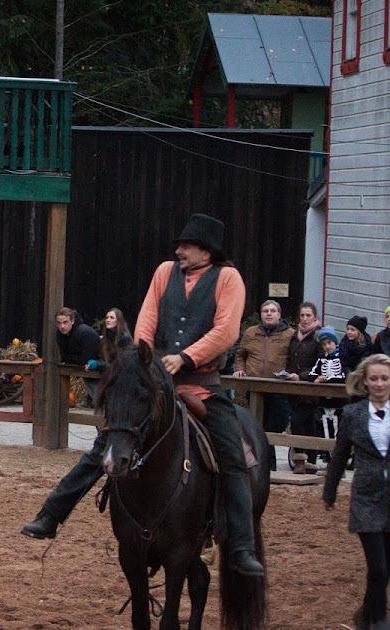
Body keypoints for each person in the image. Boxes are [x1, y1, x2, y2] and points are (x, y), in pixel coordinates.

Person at [22, 213, 265, 577]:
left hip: (202, 383)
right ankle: (51, 514)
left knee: (232, 454)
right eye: (179, 246)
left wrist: (185, 357)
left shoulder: (228, 279)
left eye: (186, 245)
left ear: (207, 250)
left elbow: (226, 331)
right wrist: (143, 360)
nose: (179, 251)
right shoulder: (164, 273)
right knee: (107, 443)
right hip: (156, 384)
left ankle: (242, 547)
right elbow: (147, 320)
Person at [322, 353, 390, 630]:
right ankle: (379, 620)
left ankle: (364, 616)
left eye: (384, 378)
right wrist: (330, 490)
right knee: (378, 568)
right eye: (373, 378)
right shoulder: (352, 414)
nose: (379, 384)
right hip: (366, 499)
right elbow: (339, 456)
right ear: (364, 381)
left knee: (385, 571)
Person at [234, 299, 294, 470]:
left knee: (278, 423)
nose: (269, 313)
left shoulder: (289, 334)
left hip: (278, 386)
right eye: (265, 310)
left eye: (272, 311)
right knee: (256, 423)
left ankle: (265, 451)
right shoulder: (251, 332)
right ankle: (268, 465)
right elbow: (240, 354)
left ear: (279, 315)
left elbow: (294, 356)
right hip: (254, 387)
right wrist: (240, 369)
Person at [286, 303, 326, 469]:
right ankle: (311, 459)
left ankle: (300, 459)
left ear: (315, 317)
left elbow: (321, 363)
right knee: (309, 424)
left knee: (297, 421)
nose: (304, 319)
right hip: (294, 389)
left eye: (308, 315)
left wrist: (302, 376)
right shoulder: (295, 336)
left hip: (310, 388)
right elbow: (291, 359)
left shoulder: (319, 337)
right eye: (302, 315)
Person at [310, 327, 349, 443]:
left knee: (339, 429)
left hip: (339, 401)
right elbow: (312, 373)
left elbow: (344, 376)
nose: (327, 346)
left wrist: (326, 380)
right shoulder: (321, 360)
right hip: (324, 401)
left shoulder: (342, 358)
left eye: (329, 343)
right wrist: (317, 379)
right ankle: (327, 454)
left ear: (335, 342)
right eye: (324, 344)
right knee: (326, 428)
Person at [85, 307, 132, 400]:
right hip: (109, 375)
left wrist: (97, 364)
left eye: (111, 318)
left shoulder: (125, 339)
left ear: (118, 321)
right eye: (107, 318)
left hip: (123, 377)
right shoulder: (106, 338)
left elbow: (119, 365)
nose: (108, 320)